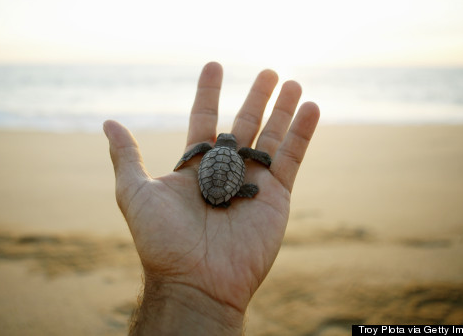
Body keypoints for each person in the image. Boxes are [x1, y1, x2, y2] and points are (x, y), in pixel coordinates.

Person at [103, 62, 320, 335]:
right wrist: (264, 158)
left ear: (219, 143)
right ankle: (238, 193)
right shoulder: (241, 155)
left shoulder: (207, 150)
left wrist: (183, 163)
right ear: (233, 145)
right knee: (238, 180)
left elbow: (194, 155)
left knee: (221, 177)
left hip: (206, 187)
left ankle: (238, 193)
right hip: (229, 184)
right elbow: (258, 157)